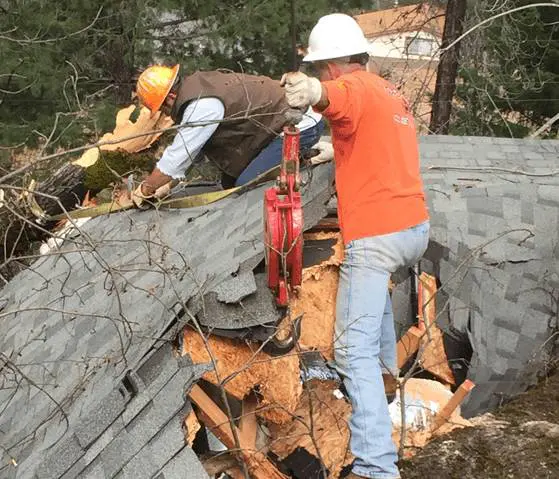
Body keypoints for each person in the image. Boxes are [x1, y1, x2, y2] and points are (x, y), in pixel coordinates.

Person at [281, 13, 430, 479]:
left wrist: (312, 93)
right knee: (375, 329)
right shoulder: (390, 92)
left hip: (377, 235)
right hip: (412, 229)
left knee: (350, 351)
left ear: (340, 62)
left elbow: (338, 98)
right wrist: (333, 149)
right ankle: (387, 401)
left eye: (324, 67)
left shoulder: (353, 87)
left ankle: (376, 467)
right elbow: (365, 131)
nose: (324, 75)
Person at [130, 65, 324, 205]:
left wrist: (146, 189)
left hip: (299, 124)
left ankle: (307, 165)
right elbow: (192, 154)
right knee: (229, 182)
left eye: (163, 109)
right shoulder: (198, 91)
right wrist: (166, 186)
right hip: (274, 127)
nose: (165, 114)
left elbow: (178, 158)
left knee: (247, 186)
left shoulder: (201, 106)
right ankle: (299, 159)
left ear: (170, 97)